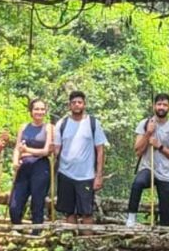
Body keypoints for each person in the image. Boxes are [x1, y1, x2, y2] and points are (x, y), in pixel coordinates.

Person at [128, 93, 169, 226]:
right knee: (137, 183)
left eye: (164, 105)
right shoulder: (145, 124)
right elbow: (137, 151)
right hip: (149, 167)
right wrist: (148, 133)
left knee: (165, 211)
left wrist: (160, 146)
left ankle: (165, 238)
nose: (161, 107)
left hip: (166, 172)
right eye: (159, 104)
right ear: (154, 106)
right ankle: (131, 217)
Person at [54, 90, 108, 224]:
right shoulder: (62, 124)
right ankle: (71, 243)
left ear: (84, 104)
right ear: (69, 105)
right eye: (73, 103)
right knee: (69, 212)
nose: (76, 105)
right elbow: (56, 150)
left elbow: (100, 150)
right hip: (65, 173)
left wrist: (99, 175)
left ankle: (87, 243)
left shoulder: (93, 123)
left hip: (86, 176)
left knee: (87, 213)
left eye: (79, 102)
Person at [9, 98, 53, 224]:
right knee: (15, 205)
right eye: (36, 109)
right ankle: (17, 229)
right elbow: (17, 148)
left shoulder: (48, 128)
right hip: (24, 167)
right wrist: (15, 161)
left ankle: (36, 233)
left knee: (37, 202)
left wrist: (27, 149)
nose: (39, 112)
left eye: (42, 109)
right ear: (31, 111)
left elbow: (46, 151)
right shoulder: (23, 127)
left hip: (41, 167)